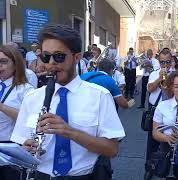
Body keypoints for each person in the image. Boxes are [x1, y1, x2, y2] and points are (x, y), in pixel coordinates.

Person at [10, 24, 125, 180]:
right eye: (45, 57)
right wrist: (25, 150)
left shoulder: (100, 96)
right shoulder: (32, 98)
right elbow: (20, 145)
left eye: (59, 56)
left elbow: (112, 150)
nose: (51, 63)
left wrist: (70, 132)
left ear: (76, 58)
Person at [0, 45, 34, 179]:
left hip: (12, 149)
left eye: (3, 62)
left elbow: (30, 119)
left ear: (16, 64)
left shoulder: (25, 90)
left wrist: (2, 107)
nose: (0, 66)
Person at [144, 48, 173, 180]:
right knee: (152, 142)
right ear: (159, 62)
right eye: (162, 62)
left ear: (171, 61)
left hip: (170, 109)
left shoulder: (177, 75)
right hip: (155, 108)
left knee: (170, 140)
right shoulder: (154, 73)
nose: (165, 65)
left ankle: (166, 169)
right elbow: (149, 89)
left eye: (167, 62)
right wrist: (159, 79)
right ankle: (149, 168)